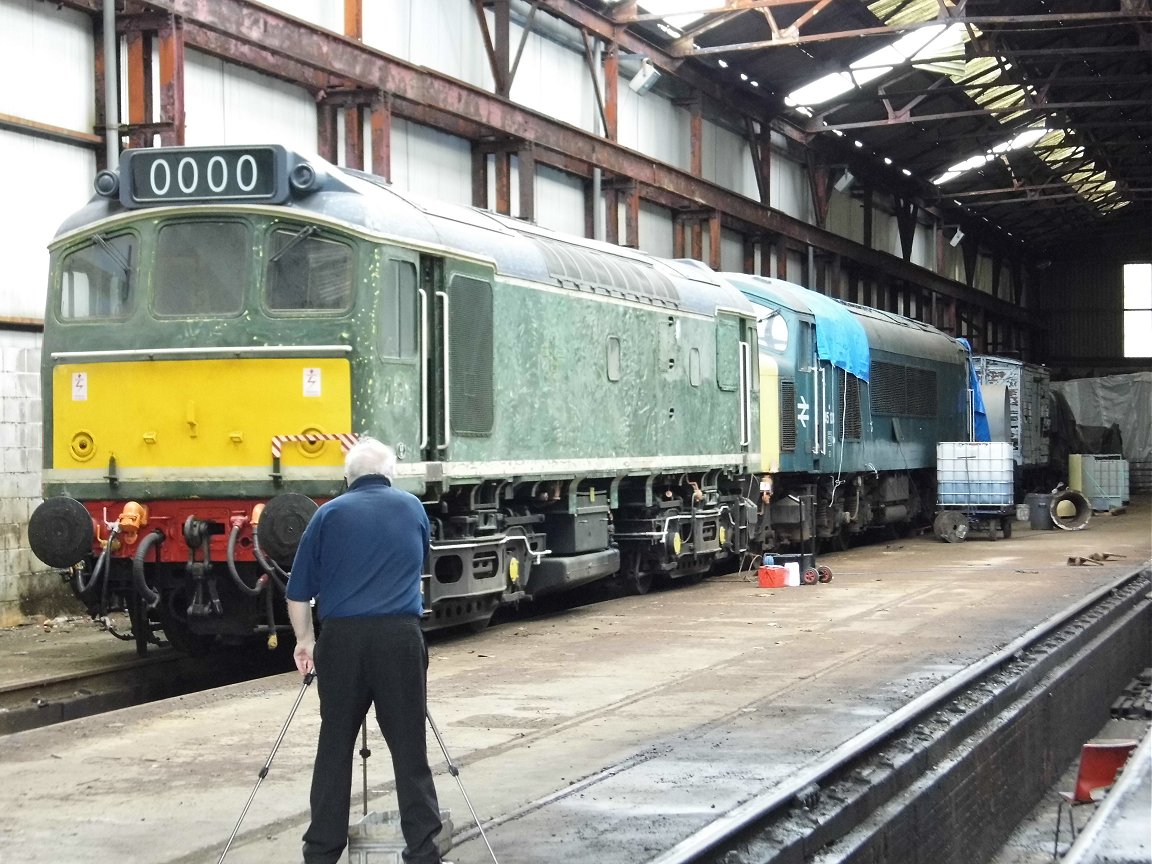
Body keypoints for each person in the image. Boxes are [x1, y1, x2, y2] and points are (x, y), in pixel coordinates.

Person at [287, 436, 447, 864]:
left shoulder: (327, 514)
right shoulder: (413, 508)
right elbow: (419, 563)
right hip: (399, 638)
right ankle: (424, 848)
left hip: (341, 642)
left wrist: (306, 643)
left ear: (348, 477)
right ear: (390, 476)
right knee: (409, 744)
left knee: (335, 743)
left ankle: (321, 850)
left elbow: (298, 592)